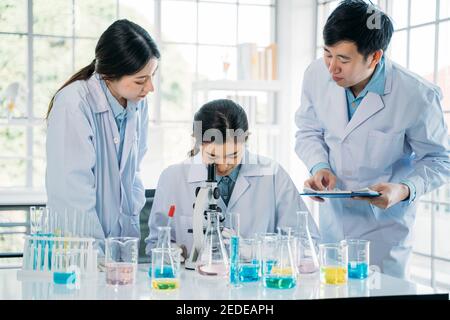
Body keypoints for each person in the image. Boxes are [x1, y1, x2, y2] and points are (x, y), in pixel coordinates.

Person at [295, 0, 450, 278]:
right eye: (327, 54)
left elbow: (440, 160)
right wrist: (319, 167)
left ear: (375, 57)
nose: (332, 68)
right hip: (333, 226)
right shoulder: (316, 75)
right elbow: (308, 131)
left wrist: (403, 189)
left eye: (343, 59)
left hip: (383, 232)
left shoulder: (416, 95)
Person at [146, 99, 319, 257]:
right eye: (213, 156)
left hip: (254, 286)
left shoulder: (272, 174)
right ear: (197, 141)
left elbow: (310, 245)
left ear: (246, 139)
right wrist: (167, 253)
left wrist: (256, 251)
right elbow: (155, 242)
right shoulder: (173, 178)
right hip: (194, 285)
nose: (223, 165)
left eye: (233, 154)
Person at [46, 19, 160, 243]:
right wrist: (94, 254)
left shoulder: (138, 104)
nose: (150, 88)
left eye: (152, 76)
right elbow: (72, 193)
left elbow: (133, 172)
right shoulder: (74, 103)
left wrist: (129, 225)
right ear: (109, 75)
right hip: (77, 247)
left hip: (121, 242)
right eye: (140, 80)